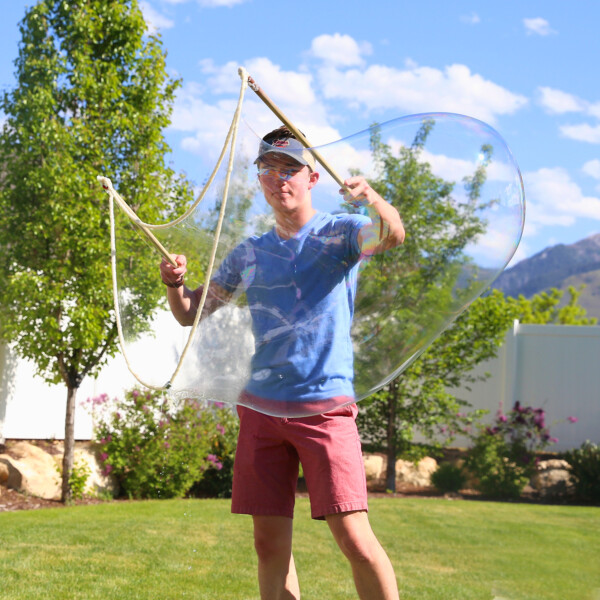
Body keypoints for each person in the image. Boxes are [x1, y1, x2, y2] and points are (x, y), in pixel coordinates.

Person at [160, 126, 405, 600]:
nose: (278, 179)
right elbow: (192, 314)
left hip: (325, 409)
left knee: (354, 539)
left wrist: (373, 197)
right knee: (269, 546)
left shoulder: (341, 233)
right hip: (262, 412)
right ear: (260, 180)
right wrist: (174, 283)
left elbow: (391, 235)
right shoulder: (250, 253)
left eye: (289, 169)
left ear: (312, 177)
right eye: (268, 170)